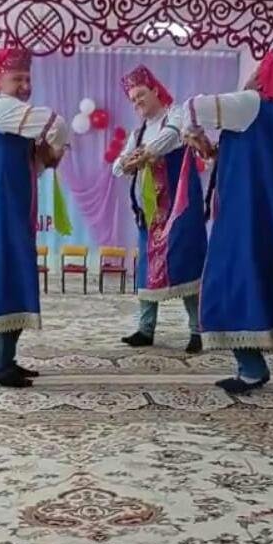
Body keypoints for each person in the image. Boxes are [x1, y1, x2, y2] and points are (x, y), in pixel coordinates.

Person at [182, 51, 273, 394]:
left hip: (241, 212)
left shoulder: (250, 103)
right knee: (249, 280)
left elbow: (192, 107)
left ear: (260, 81)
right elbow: (243, 157)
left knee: (230, 282)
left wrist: (192, 130)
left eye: (252, 74)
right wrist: (208, 146)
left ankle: (251, 368)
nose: (247, 79)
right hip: (260, 209)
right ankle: (251, 366)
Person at [0, 47, 68, 388]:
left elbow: (37, 165)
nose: (26, 85)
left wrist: (48, 155)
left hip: (12, 210)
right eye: (18, 78)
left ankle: (5, 360)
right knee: (8, 279)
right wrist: (57, 143)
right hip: (2, 211)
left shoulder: (12, 118)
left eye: (28, 78)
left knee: (15, 278)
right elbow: (57, 124)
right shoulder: (1, 107)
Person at [113, 65, 207, 354]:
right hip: (151, 213)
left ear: (155, 90)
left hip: (180, 208)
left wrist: (143, 155)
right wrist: (128, 161)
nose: (137, 102)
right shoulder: (138, 132)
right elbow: (117, 167)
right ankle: (145, 329)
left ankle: (197, 331)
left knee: (187, 264)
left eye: (141, 95)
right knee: (146, 269)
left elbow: (170, 137)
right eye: (133, 99)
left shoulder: (176, 114)